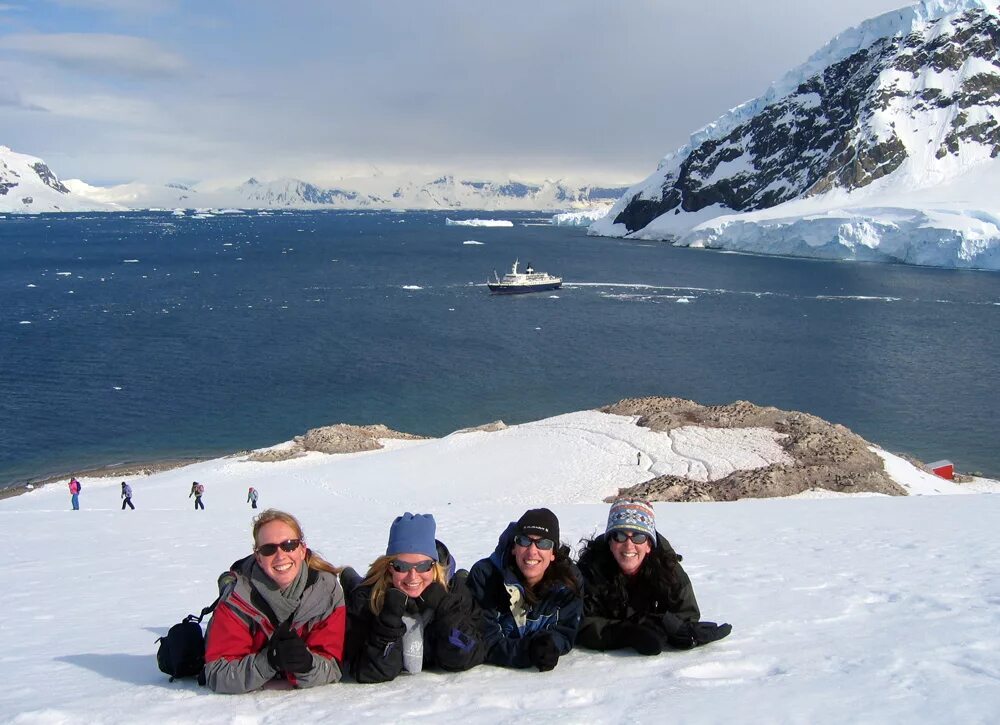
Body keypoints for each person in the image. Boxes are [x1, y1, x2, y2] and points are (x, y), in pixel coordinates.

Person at [203, 509, 346, 693]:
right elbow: (217, 674)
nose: (280, 556)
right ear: (259, 557)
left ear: (302, 550)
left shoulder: (326, 592)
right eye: (269, 549)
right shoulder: (237, 599)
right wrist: (268, 661)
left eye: (289, 545)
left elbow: (332, 666)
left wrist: (306, 665)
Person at [576, 498, 731, 656]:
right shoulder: (591, 569)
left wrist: (664, 623)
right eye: (620, 536)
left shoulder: (667, 569)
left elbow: (687, 615)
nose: (629, 545)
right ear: (610, 542)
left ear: (649, 544)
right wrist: (627, 633)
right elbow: (579, 622)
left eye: (638, 537)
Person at [345, 512, 485, 682]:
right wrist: (388, 622)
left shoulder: (454, 592)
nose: (412, 576)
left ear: (434, 567)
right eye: (401, 566)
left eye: (423, 566)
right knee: (357, 587)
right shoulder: (368, 599)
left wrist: (445, 610)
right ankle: (350, 580)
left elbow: (469, 652)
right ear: (389, 567)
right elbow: (368, 670)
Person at [467, 508, 583, 672]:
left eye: (543, 543)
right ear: (514, 547)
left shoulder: (568, 583)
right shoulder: (485, 578)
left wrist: (550, 644)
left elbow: (565, 630)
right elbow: (484, 641)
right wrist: (527, 651)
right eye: (524, 541)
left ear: (553, 553)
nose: (532, 551)